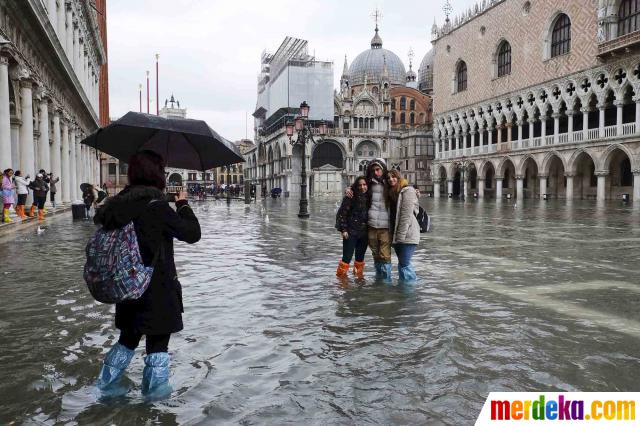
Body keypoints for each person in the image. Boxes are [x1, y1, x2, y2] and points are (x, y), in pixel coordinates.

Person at [93, 150, 201, 399]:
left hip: (126, 286)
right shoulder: (157, 207)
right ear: (157, 176)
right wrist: (182, 203)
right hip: (157, 288)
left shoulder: (118, 205)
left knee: (127, 339)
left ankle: (105, 388)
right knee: (158, 344)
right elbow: (192, 233)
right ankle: (154, 401)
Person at [386, 169, 420, 282]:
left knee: (405, 264)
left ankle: (410, 292)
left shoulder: (408, 191)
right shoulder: (391, 193)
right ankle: (403, 292)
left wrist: (399, 238)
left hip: (408, 235)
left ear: (399, 177)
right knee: (402, 264)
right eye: (388, 178)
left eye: (393, 176)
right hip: (397, 236)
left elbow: (405, 216)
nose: (391, 179)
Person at [335, 176, 369, 279]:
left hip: (364, 233)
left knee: (360, 258)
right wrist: (344, 230)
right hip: (351, 232)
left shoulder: (370, 197)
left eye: (364, 185)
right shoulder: (350, 196)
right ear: (356, 186)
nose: (362, 187)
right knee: (346, 258)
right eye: (359, 185)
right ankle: (341, 281)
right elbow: (342, 214)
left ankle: (359, 279)